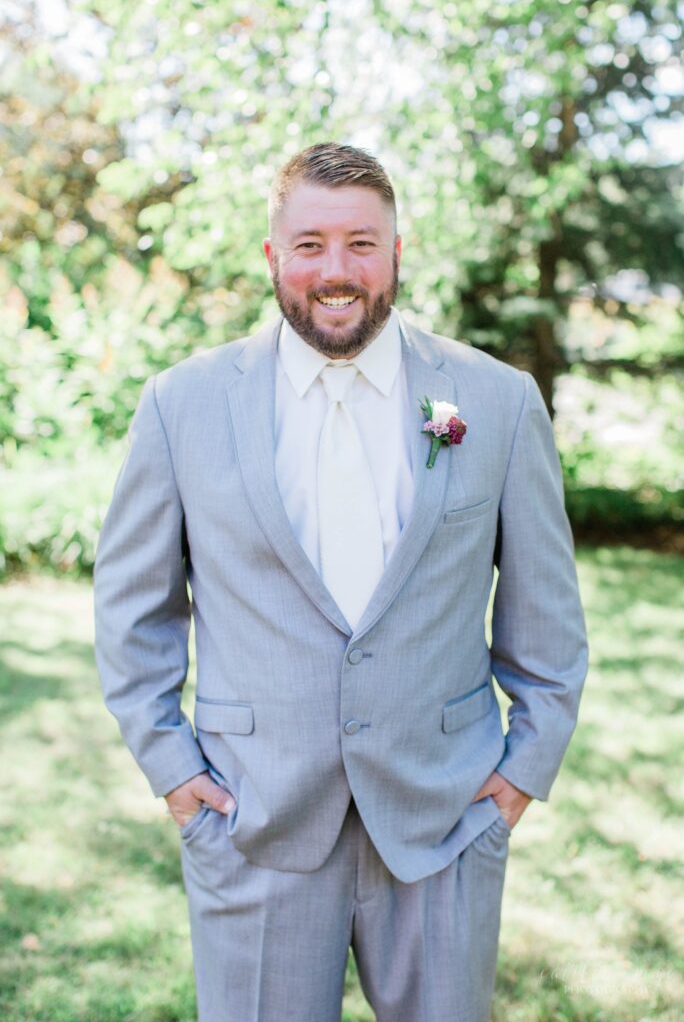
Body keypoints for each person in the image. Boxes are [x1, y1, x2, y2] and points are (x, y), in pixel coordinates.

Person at [94, 142, 588, 1022]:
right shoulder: (183, 405)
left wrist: (521, 774)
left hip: (446, 819)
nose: (337, 269)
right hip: (253, 822)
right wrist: (172, 770)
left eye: (362, 244)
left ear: (397, 253)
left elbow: (547, 617)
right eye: (311, 243)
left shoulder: (496, 400)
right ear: (273, 255)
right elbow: (133, 612)